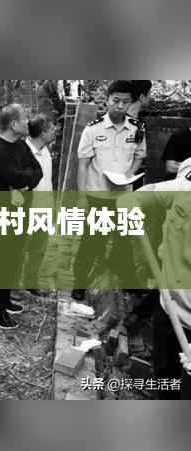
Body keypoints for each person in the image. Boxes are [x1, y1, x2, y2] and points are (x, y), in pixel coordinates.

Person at [118, 161, 191, 399]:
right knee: (165, 375)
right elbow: (138, 197)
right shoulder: (183, 188)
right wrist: (131, 206)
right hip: (169, 306)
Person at [72, 81, 147, 301]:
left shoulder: (137, 128)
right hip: (98, 195)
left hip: (123, 196)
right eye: (116, 101)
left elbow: (139, 156)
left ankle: (129, 282)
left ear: (131, 103)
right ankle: (79, 283)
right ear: (107, 100)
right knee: (91, 242)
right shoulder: (93, 129)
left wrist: (128, 174)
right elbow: (83, 164)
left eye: (125, 102)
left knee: (125, 241)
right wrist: (82, 196)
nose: (120, 106)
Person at [0, 104, 43, 329]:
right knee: (0, 261)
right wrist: (23, 180)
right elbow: (17, 178)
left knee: (13, 258)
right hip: (2, 213)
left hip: (21, 210)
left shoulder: (21, 145)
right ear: (13, 124)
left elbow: (38, 171)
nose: (29, 121)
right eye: (25, 118)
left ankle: (4, 299)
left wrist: (23, 182)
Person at [23, 114, 56, 293]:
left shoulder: (45, 151)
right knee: (21, 249)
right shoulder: (23, 152)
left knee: (39, 249)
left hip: (45, 208)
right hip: (28, 210)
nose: (55, 130)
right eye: (51, 128)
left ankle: (31, 282)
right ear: (42, 132)